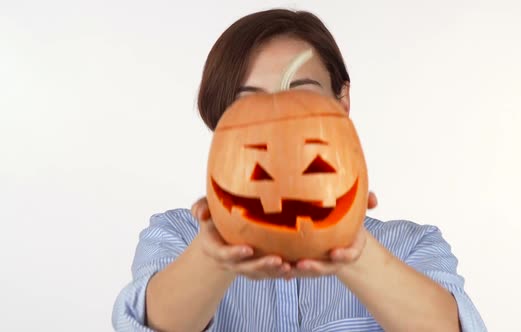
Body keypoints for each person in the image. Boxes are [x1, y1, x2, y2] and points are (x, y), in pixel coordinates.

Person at [112, 9, 486, 332]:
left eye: (302, 94)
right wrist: (213, 258)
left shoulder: (413, 247)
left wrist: (355, 252)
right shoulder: (175, 236)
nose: (281, 120)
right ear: (223, 123)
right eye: (250, 101)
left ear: (342, 102)